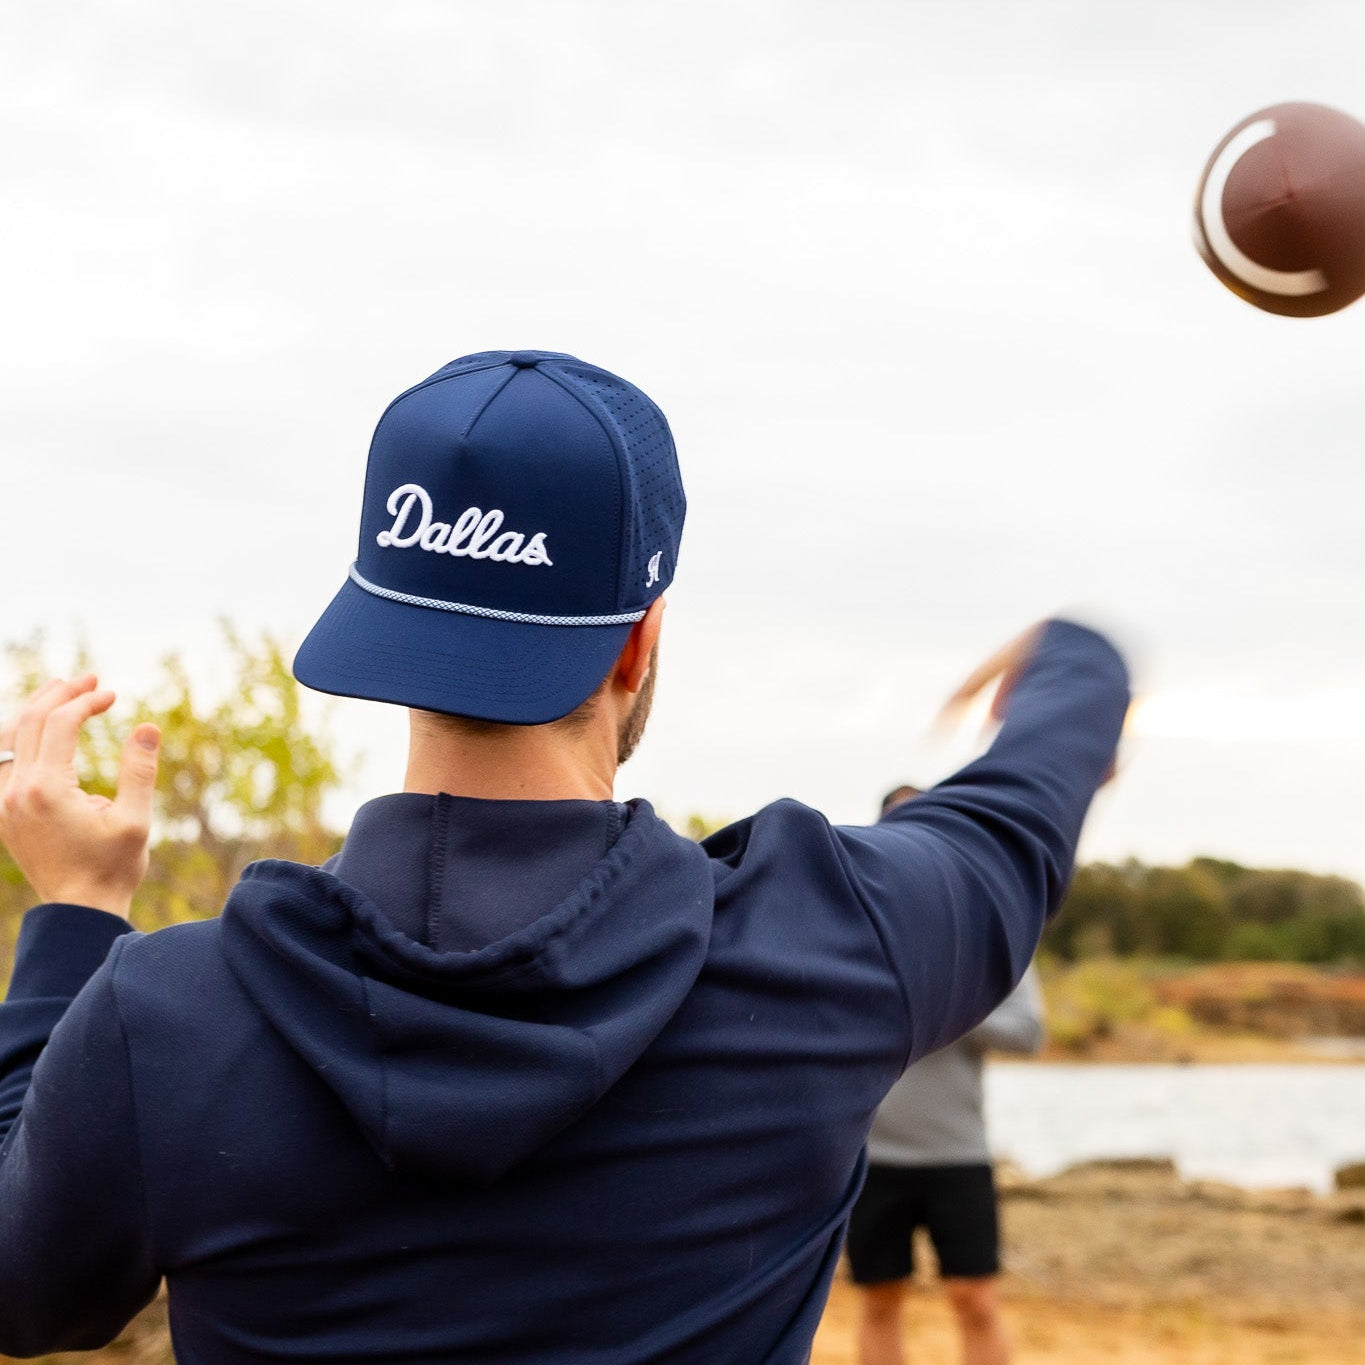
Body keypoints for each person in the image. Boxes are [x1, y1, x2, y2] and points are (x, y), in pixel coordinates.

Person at [0, 349, 1128, 1364]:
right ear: (639, 641)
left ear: (379, 624)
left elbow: (25, 1295)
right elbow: (1019, 820)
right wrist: (1076, 657)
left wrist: (77, 918)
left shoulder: (167, 1017)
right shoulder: (833, 946)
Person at [846, 781, 1045, 1365]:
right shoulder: (855, 929)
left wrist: (949, 993)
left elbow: (1029, 1034)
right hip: (869, 1157)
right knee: (878, 1304)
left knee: (975, 1300)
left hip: (957, 1154)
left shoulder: (992, 930)